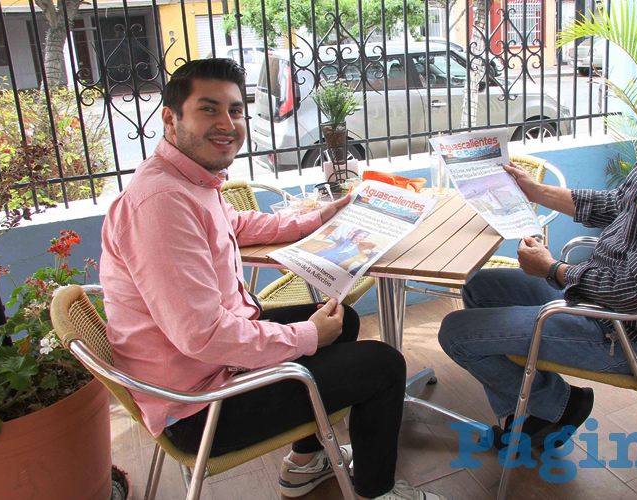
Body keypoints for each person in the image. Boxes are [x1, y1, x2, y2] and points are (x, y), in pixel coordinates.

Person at [100, 58, 442, 500]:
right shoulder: (161, 204)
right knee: (385, 366)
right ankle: (376, 492)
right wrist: (305, 336)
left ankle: (305, 463)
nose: (227, 124)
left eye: (236, 110)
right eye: (209, 109)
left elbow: (236, 225)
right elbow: (201, 335)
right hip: (201, 406)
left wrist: (323, 216)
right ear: (171, 117)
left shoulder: (185, 180)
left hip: (210, 366)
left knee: (344, 320)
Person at [438, 14, 637, 449]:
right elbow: (621, 204)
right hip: (599, 301)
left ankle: (557, 406)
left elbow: (636, 294)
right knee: (480, 287)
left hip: (623, 331)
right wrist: (537, 191)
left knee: (455, 332)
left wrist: (555, 271)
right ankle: (533, 412)